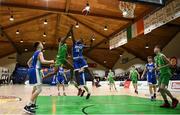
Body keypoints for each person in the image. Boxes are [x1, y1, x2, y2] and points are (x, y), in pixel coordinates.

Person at [24, 42, 54, 113]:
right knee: (39, 89)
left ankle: (33, 104)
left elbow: (28, 62)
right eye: (41, 44)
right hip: (35, 70)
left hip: (33, 70)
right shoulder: (40, 52)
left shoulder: (35, 53)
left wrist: (32, 68)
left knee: (35, 88)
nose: (42, 45)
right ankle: (27, 105)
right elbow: (42, 61)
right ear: (38, 46)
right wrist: (51, 61)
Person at [71, 30, 93, 98]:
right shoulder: (75, 45)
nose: (78, 39)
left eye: (79, 39)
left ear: (81, 41)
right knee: (75, 82)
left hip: (80, 61)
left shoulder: (81, 45)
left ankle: (88, 91)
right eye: (78, 39)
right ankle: (81, 90)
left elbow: (89, 47)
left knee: (83, 83)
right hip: (76, 61)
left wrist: (91, 42)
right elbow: (73, 39)